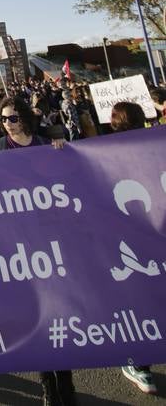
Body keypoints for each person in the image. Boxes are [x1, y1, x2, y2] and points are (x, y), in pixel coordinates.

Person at [0, 99, 75, 406]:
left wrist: (62, 146)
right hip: (22, 245)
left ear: (24, 118)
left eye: (12, 118)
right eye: (3, 119)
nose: (8, 123)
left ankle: (66, 382)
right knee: (38, 316)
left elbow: (68, 172)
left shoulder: (45, 142)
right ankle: (47, 385)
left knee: (59, 313)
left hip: (52, 238)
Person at [110, 101, 157, 396]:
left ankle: (141, 365)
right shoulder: (156, 143)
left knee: (138, 300)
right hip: (155, 233)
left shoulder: (105, 150)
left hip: (128, 240)